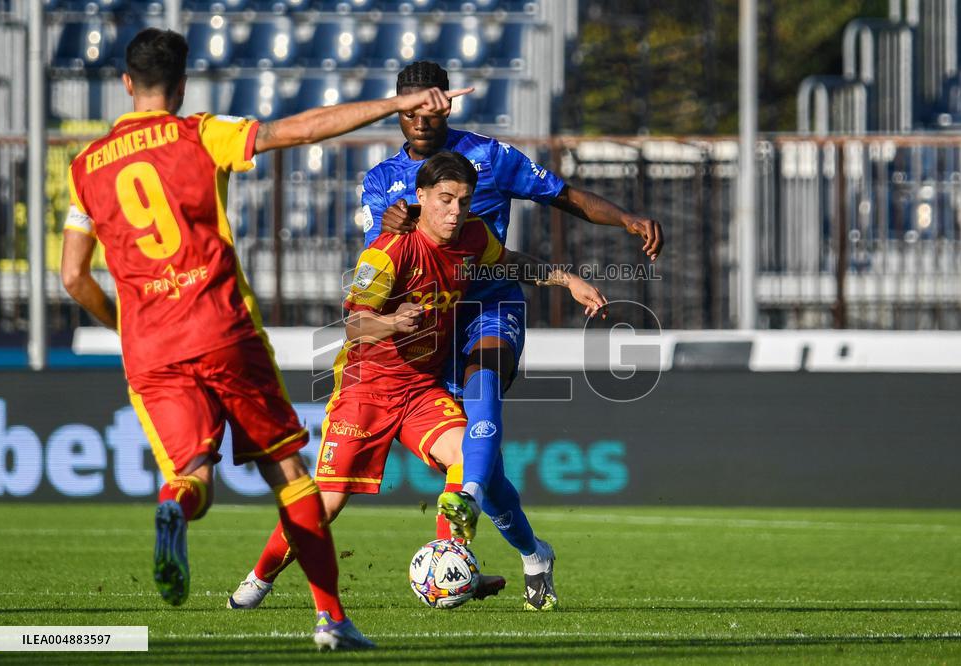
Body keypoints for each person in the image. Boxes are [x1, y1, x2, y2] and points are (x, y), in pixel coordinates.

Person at [59, 29, 469, 651]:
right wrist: (392, 105)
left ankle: (178, 502)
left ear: (125, 84)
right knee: (288, 470)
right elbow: (298, 131)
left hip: (149, 346)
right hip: (221, 327)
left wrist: (122, 323)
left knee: (192, 469)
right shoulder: (198, 133)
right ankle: (331, 619)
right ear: (184, 83)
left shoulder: (86, 165)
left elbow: (71, 275)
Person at [227, 152, 607, 613]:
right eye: (445, 199)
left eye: (464, 202)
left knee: (469, 459)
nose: (454, 212)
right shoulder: (387, 251)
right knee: (325, 505)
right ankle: (258, 580)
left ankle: (453, 562)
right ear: (421, 196)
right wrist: (391, 323)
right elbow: (352, 327)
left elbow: (509, 262)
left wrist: (566, 280)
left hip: (420, 388)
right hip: (367, 389)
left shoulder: (472, 237)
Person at [367, 61, 664, 610]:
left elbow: (561, 194)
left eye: (429, 108)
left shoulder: (489, 157)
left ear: (446, 105)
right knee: (487, 465)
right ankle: (533, 553)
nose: (420, 119)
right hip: (431, 324)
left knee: (484, 398)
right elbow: (377, 255)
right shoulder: (380, 180)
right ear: (398, 109)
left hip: (492, 304)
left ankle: (459, 519)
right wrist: (389, 229)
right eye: (409, 110)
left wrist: (625, 219)